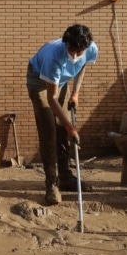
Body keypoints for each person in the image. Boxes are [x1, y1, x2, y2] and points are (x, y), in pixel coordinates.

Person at [26, 24, 98, 205]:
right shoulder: (54, 56)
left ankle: (65, 176)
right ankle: (51, 183)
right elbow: (52, 99)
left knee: (62, 130)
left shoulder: (91, 49)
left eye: (78, 52)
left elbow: (82, 67)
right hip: (40, 82)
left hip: (62, 82)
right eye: (71, 50)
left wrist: (76, 93)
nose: (74, 56)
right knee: (49, 131)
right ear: (66, 43)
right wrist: (71, 127)